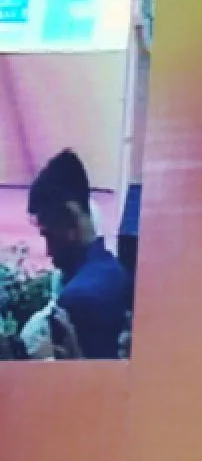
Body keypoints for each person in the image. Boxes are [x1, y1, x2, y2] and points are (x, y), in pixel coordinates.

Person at [24, 149, 133, 360]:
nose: (48, 252)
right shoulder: (116, 273)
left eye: (50, 236)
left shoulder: (78, 298)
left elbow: (82, 380)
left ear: (70, 217)